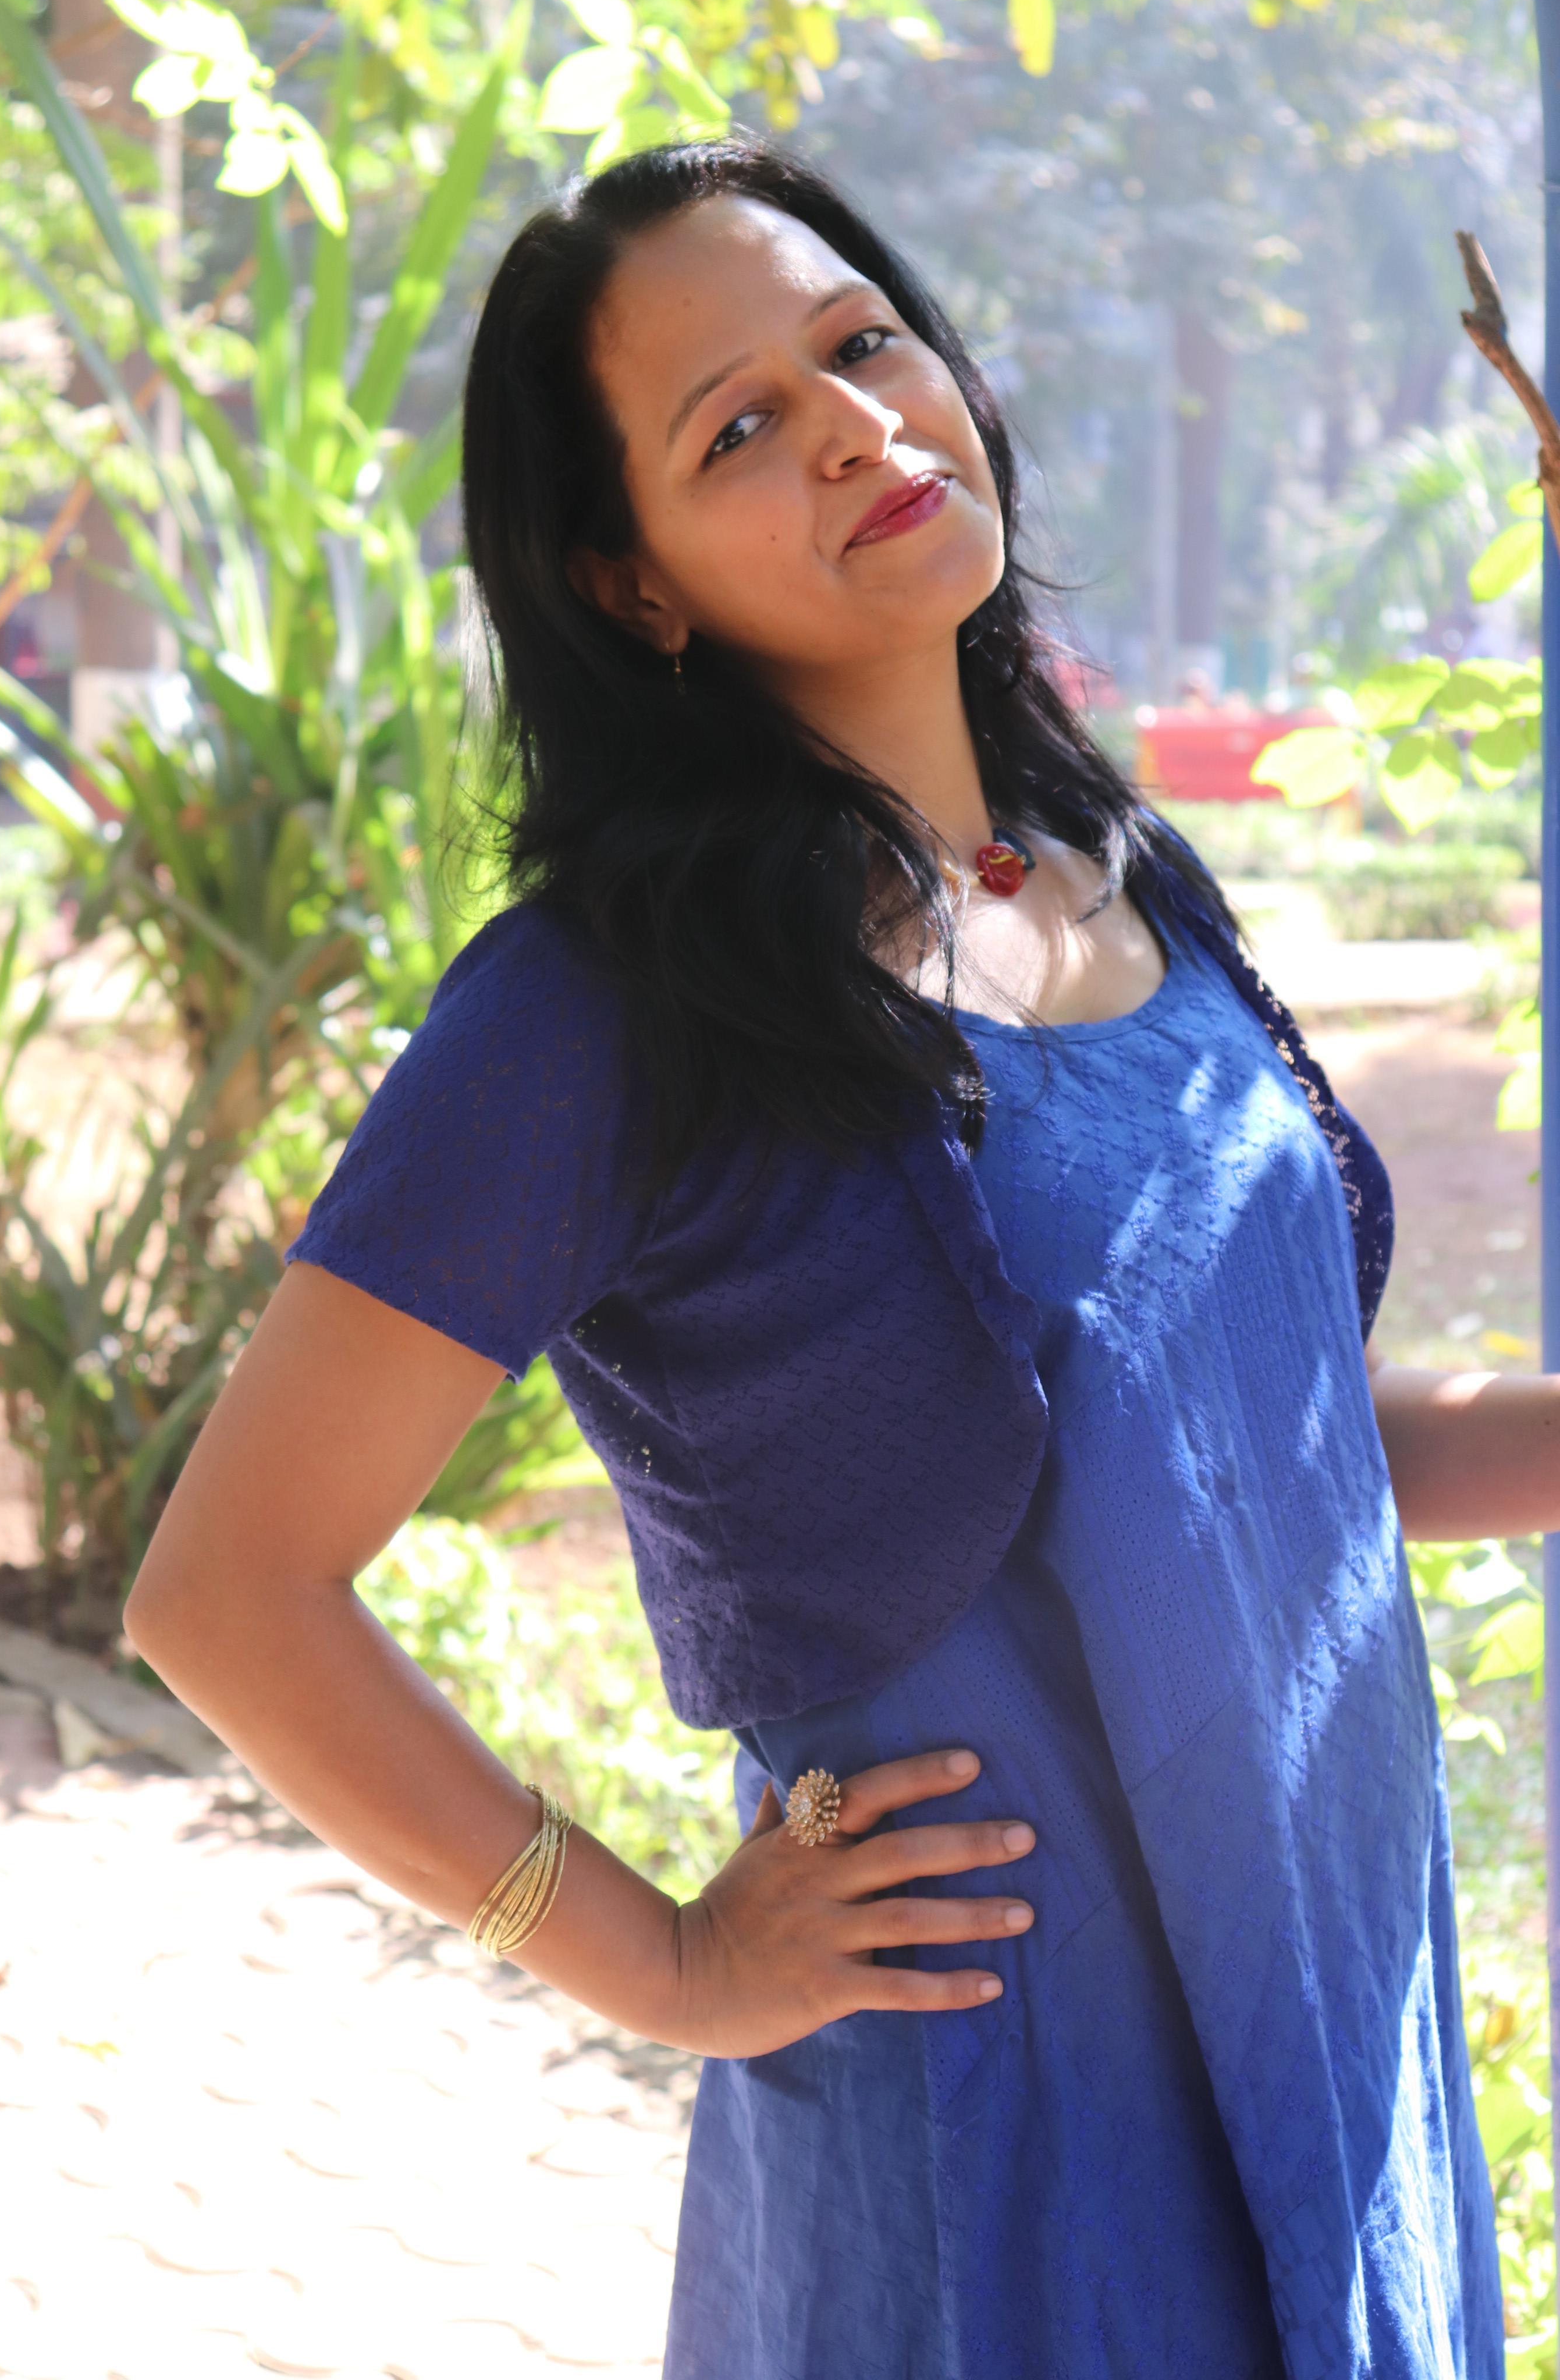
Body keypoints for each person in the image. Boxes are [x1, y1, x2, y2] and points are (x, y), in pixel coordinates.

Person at [122, 137, 1542, 2379]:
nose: (860, 426)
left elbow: (1268, 1443)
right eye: (740, 428)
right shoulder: (603, 1005)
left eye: (865, 345)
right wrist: (659, 1963)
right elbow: (225, 1595)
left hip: (1335, 2026)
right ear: (633, 586)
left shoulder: (1123, 878)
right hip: (1009, 2148)